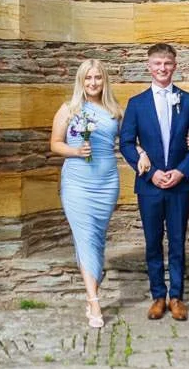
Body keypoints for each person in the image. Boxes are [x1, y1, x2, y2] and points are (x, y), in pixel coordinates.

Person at [51, 59, 141, 328]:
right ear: (81, 81)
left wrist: (144, 153)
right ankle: (94, 301)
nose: (93, 83)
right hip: (77, 182)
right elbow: (55, 144)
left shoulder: (115, 111)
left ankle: (91, 289)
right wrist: (76, 150)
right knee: (85, 235)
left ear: (104, 81)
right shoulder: (69, 109)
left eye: (98, 78)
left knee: (97, 238)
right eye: (88, 78)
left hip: (106, 182)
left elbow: (129, 142)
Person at [120, 43, 189, 321]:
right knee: (153, 241)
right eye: (157, 63)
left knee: (178, 241)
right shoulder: (136, 103)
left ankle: (177, 297)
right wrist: (149, 172)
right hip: (149, 185)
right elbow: (126, 143)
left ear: (175, 66)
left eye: (167, 63)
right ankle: (158, 295)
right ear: (149, 66)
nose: (162, 68)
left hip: (180, 184)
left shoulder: (188, 100)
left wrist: (182, 171)